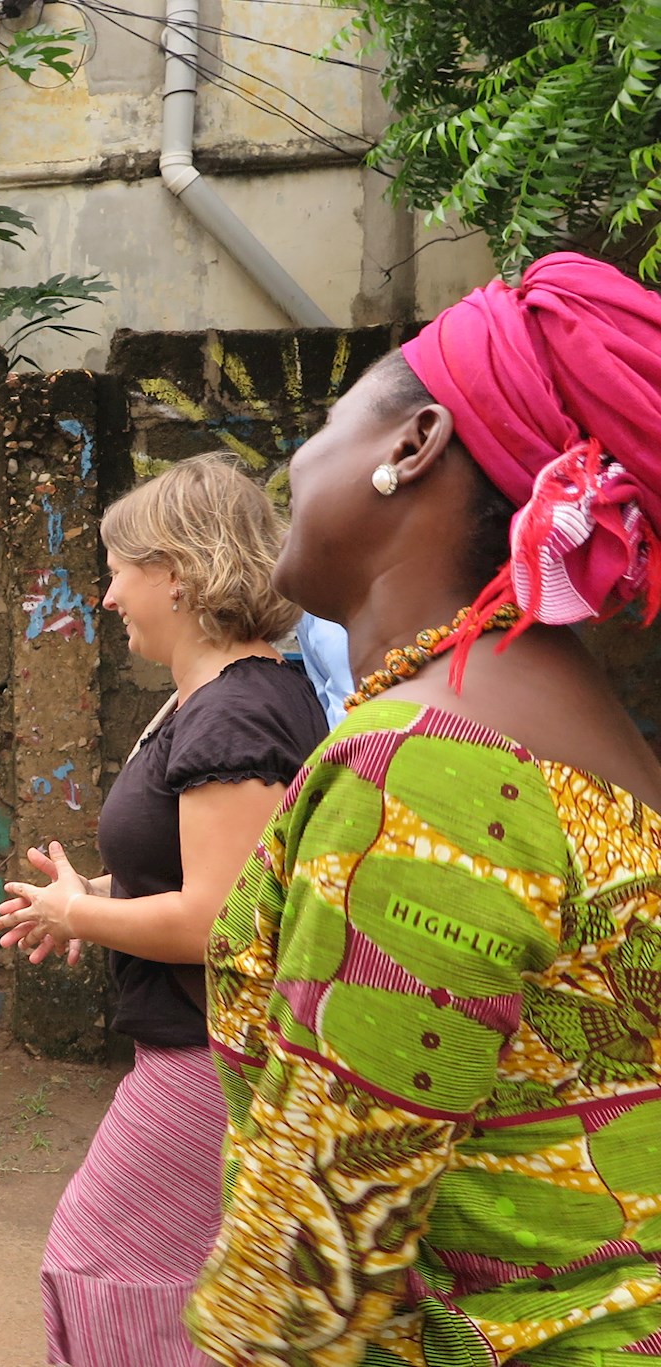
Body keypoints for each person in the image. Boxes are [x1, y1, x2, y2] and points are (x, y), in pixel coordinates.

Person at [185, 253, 661, 1365]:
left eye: (325, 421)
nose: (292, 460)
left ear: (412, 443)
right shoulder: (588, 737)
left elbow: (309, 1277)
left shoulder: (422, 770)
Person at [0, 454, 327, 1367]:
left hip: (205, 1053)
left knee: (106, 1259)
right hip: (190, 1046)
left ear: (175, 574)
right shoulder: (219, 703)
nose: (108, 597)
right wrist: (81, 898)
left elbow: (220, 921)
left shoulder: (237, 713)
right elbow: (206, 877)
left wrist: (82, 916)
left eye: (118, 570)